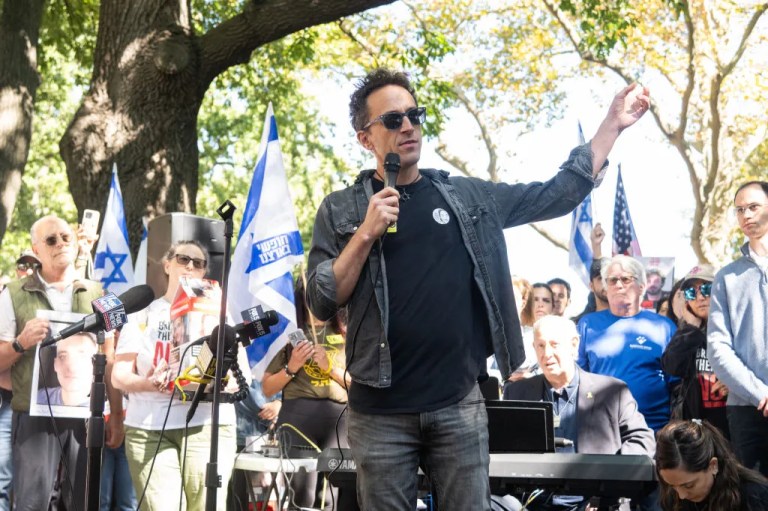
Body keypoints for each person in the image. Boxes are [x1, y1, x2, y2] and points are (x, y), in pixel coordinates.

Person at [305, 67, 650, 509]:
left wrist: (611, 126)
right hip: (379, 415)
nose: (408, 126)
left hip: (458, 406)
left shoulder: (467, 197)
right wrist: (365, 233)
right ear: (365, 139)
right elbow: (321, 300)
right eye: (392, 120)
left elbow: (555, 194)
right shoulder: (341, 209)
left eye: (414, 115)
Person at [0, 214, 124, 510]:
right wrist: (21, 343)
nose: (61, 244)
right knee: (31, 503)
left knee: (83, 501)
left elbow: (110, 359)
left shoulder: (101, 293)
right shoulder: (12, 293)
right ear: (36, 249)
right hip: (33, 416)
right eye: (51, 239)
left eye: (66, 237)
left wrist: (117, 416)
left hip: (87, 416)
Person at [112, 240, 239, 511]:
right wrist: (149, 383)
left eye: (198, 263)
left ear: (204, 272)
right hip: (150, 427)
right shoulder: (142, 314)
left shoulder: (218, 313)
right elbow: (118, 376)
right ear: (167, 265)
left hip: (207, 425)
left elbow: (241, 376)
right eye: (183, 259)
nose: (190, 266)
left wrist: (222, 381)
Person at [503, 315, 656, 510]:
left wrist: (609, 477)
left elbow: (643, 440)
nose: (547, 353)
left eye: (554, 345)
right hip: (530, 502)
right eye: (540, 346)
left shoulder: (611, 391)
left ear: (574, 345)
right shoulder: (517, 392)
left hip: (595, 501)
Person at [262, 282, 355, 510]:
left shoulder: (346, 330)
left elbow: (359, 386)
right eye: (312, 295)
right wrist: (292, 366)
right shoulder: (289, 334)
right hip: (298, 419)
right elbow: (267, 388)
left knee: (330, 496)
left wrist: (329, 368)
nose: (318, 301)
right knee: (302, 494)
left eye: (325, 295)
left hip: (338, 420)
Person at [708, 180, 768, 476]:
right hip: (746, 409)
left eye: (753, 207)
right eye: (740, 210)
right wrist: (760, 394)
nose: (746, 215)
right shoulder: (727, 277)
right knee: (754, 493)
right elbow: (718, 347)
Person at [577, 255, 677, 432]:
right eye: (612, 280)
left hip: (653, 428)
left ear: (642, 287)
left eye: (625, 279)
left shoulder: (664, 326)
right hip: (602, 428)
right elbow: (578, 377)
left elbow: (677, 384)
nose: (618, 285)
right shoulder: (587, 325)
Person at [661, 265, 729, 436]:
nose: (700, 297)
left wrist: (736, 384)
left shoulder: (737, 326)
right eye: (691, 293)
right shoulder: (688, 331)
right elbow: (671, 366)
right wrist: (691, 327)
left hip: (734, 426)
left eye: (706, 289)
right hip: (698, 429)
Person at [655, 420, 768, 510]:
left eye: (689, 486)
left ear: (713, 465)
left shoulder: (754, 496)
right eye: (672, 486)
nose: (681, 495)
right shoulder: (673, 497)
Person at [36, 332, 98, 406]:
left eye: (82, 357)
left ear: (95, 364)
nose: (71, 368)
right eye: (63, 357)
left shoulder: (105, 408)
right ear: (55, 364)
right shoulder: (37, 398)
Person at [573, 257, 610, 324]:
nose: (605, 283)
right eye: (600, 278)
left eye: (610, 278)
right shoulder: (581, 324)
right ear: (591, 286)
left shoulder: (628, 318)